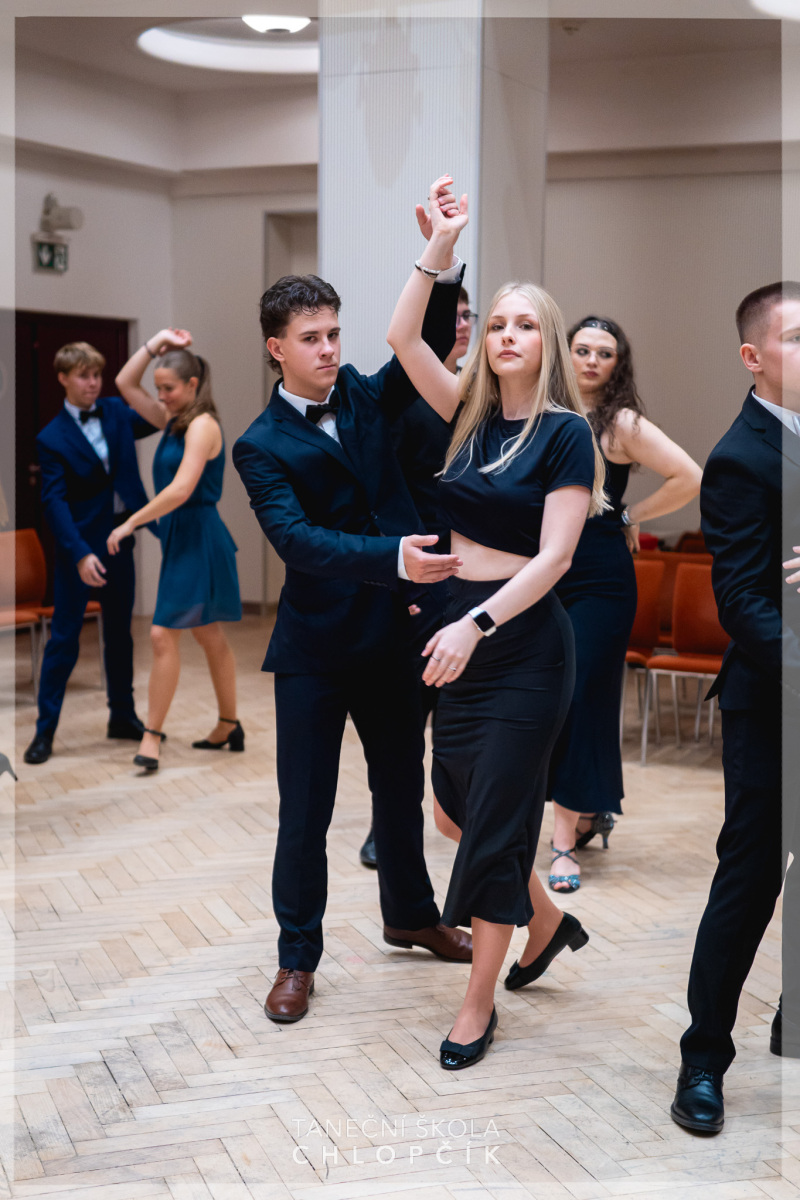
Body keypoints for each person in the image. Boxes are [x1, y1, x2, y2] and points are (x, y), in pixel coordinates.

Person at [387, 175, 606, 1069]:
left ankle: (476, 1005)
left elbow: (555, 560)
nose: (508, 335)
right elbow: (404, 338)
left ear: (545, 343)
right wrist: (439, 248)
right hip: (456, 632)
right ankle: (545, 921)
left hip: (520, 645)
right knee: (456, 813)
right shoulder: (467, 417)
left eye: (525, 325)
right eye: (498, 324)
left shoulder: (565, 434)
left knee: (490, 827)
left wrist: (474, 623)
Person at [232, 229, 473, 1025]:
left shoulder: (367, 395)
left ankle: (412, 917)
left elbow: (424, 340)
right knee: (305, 811)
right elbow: (297, 542)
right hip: (315, 651)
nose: (330, 349)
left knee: (400, 790)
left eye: (335, 333)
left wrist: (439, 256)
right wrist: (393, 556)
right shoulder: (259, 445)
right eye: (312, 338)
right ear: (277, 348)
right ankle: (296, 957)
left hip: (393, 639)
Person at [671, 282, 800, 1135]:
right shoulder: (740, 457)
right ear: (754, 358)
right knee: (749, 881)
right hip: (772, 703)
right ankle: (702, 1060)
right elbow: (744, 603)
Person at [546, 316, 702, 892]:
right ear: (564, 354)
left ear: (618, 364)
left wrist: (628, 515)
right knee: (544, 697)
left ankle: (563, 841)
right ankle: (589, 808)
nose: (591, 360)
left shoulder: (621, 423)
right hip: (542, 571)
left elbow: (690, 476)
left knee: (581, 699)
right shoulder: (544, 412)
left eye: (604, 353)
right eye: (582, 349)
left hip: (599, 579)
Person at [358, 283, 475, 870]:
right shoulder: (402, 398)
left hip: (476, 566)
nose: (462, 324)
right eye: (453, 315)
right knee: (406, 709)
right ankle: (388, 824)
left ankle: (464, 817)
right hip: (420, 564)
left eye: (468, 315)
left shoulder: (479, 394)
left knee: (462, 711)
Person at [110, 330, 242, 771]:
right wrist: (157, 343)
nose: (160, 396)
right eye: (159, 388)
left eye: (168, 388)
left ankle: (151, 736)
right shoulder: (172, 418)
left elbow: (182, 489)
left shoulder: (202, 425)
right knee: (208, 634)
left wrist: (131, 521)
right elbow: (124, 384)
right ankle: (229, 724)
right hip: (180, 538)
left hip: (198, 538)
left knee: (162, 633)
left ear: (192, 385)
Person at [24, 342, 158, 766]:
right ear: (63, 378)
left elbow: (158, 419)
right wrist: (81, 554)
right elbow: (54, 503)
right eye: (83, 376)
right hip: (78, 551)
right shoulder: (51, 437)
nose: (93, 383)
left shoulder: (116, 411)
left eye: (97, 375)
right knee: (64, 639)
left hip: (121, 540)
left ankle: (122, 715)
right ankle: (44, 731)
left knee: (120, 633)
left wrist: (155, 355)